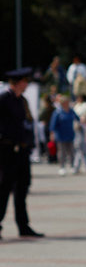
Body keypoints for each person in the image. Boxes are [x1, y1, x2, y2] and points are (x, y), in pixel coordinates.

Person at [0, 68, 43, 239]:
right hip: (7, 150)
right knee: (3, 189)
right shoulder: (4, 99)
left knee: (22, 189)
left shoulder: (21, 101)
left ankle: (23, 225)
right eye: (25, 81)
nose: (27, 84)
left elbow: (27, 123)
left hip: (22, 150)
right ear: (17, 83)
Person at [49, 95, 80, 175]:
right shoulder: (58, 112)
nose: (67, 104)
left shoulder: (71, 111)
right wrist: (52, 133)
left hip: (70, 134)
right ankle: (62, 167)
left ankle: (72, 166)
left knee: (71, 151)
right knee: (62, 152)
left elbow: (77, 119)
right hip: (61, 134)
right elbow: (53, 124)